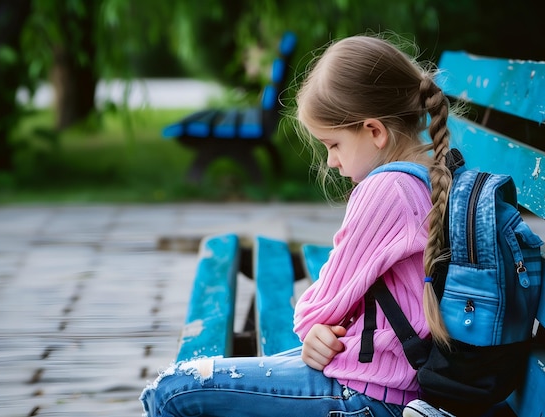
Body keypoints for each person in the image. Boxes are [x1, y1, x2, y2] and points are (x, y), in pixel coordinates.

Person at [140, 33, 454, 417]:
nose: (331, 162)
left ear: (374, 131)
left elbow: (320, 306)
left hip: (373, 395)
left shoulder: (388, 190)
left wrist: (311, 329)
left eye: (333, 144)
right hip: (393, 379)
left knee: (171, 390)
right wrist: (319, 329)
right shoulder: (430, 173)